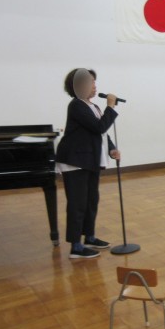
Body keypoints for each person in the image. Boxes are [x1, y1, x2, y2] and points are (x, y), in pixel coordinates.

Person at [56, 68, 120, 259]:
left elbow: (101, 133)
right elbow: (99, 126)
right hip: (75, 161)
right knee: (78, 203)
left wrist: (111, 149)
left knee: (91, 200)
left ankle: (89, 237)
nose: (94, 85)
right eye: (90, 82)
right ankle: (76, 246)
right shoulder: (76, 105)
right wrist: (111, 106)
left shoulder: (93, 106)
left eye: (93, 81)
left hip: (90, 160)